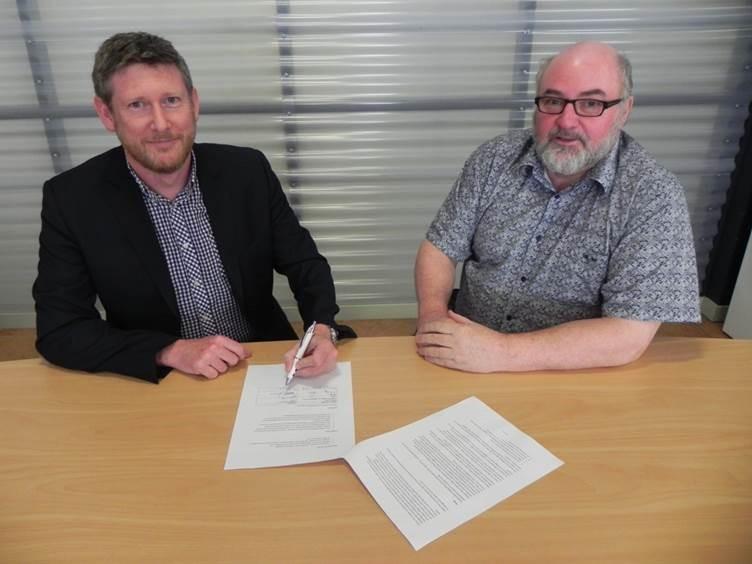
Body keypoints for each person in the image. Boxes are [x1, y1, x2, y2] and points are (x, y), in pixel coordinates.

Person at [33, 32, 347, 383]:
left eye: (171, 100)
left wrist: (321, 329)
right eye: (137, 105)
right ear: (107, 114)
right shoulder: (73, 199)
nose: (161, 124)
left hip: (261, 361)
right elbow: (60, 329)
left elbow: (304, 263)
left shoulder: (247, 171)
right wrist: (169, 350)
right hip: (167, 377)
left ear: (194, 103)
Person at [414, 41, 700, 373]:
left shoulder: (653, 195)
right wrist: (433, 320)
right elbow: (439, 247)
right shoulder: (494, 159)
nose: (566, 121)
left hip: (570, 372)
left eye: (591, 104)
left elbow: (629, 334)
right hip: (463, 351)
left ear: (625, 110)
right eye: (553, 101)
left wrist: (500, 352)